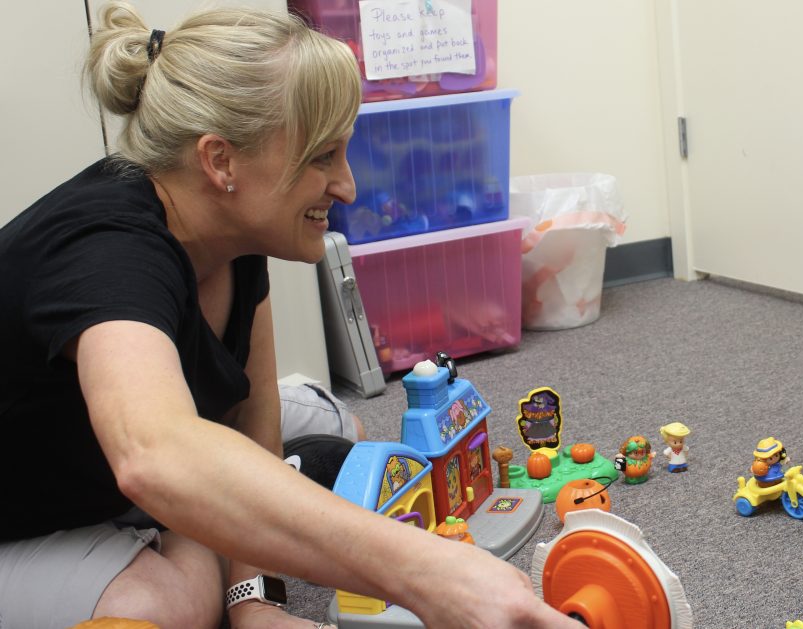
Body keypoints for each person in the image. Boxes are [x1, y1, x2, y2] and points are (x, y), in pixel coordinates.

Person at [0, 4, 578, 628]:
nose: (348, 187)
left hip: (120, 435)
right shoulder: (107, 250)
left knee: (341, 431)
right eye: (323, 158)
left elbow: (251, 414)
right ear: (220, 162)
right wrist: (428, 572)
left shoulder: (230, 228)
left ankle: (232, 482)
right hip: (31, 501)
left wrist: (253, 601)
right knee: (175, 605)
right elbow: (153, 455)